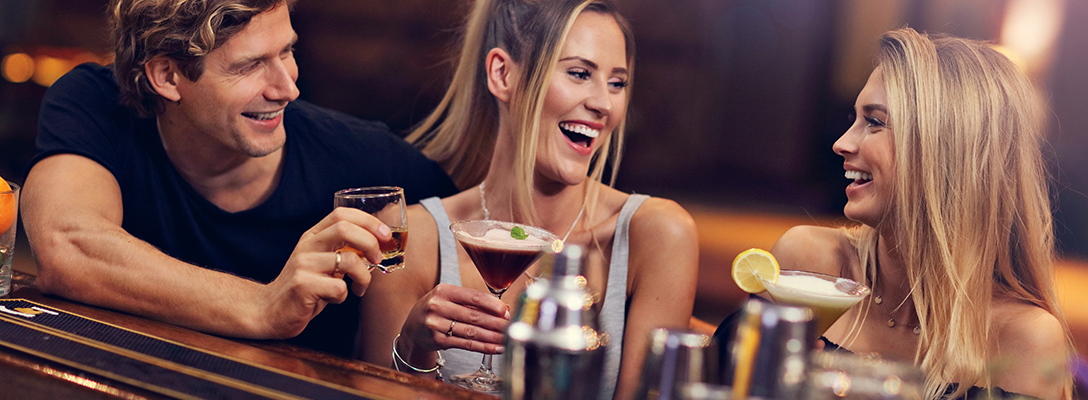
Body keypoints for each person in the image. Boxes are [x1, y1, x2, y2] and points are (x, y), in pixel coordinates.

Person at [21, 0, 457, 357]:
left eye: (287, 52)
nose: (287, 88)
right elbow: (69, 246)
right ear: (167, 76)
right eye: (250, 66)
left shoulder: (369, 159)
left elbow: (477, 235)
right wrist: (263, 306)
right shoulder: (94, 101)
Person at [356, 0, 698, 398]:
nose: (604, 104)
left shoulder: (657, 234)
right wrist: (415, 345)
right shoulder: (412, 238)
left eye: (617, 83)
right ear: (503, 74)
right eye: (579, 73)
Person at [765, 28, 1072, 399]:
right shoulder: (810, 263)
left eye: (875, 122)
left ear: (944, 152)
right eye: (855, 118)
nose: (842, 142)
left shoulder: (1024, 338)